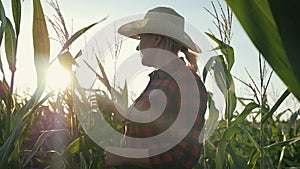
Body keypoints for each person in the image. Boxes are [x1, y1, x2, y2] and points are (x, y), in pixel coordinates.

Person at [99, 6, 207, 169]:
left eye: (142, 38)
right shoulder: (160, 80)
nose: (138, 47)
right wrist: (116, 109)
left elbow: (184, 155)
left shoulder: (186, 82)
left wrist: (127, 157)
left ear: (156, 39)